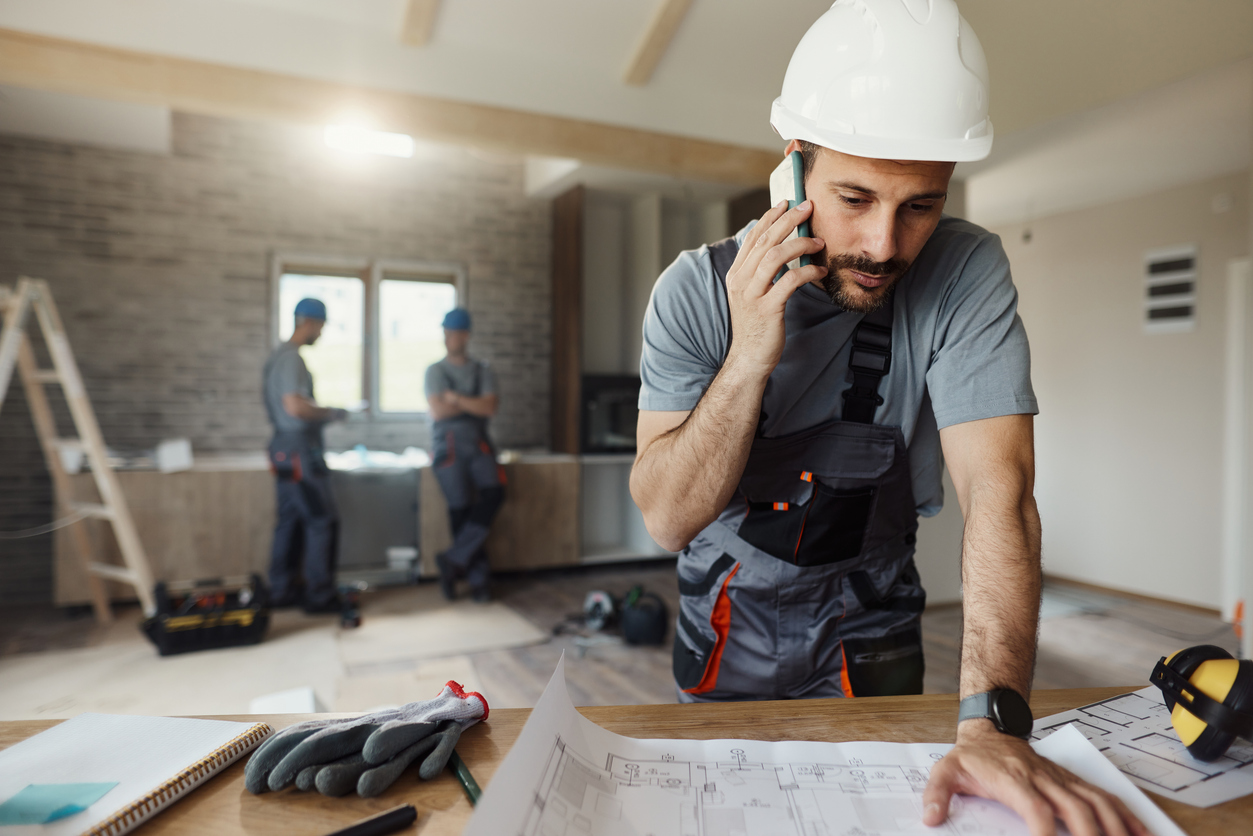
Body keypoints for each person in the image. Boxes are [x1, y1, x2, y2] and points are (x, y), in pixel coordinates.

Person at [629, 2, 1146, 834]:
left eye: (919, 205)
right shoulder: (692, 292)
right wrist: (751, 351)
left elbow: (999, 493)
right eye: (854, 196)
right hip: (727, 626)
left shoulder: (962, 271)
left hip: (869, 626)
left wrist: (993, 726)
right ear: (792, 169)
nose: (883, 245)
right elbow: (666, 515)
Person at [262, 297, 348, 613]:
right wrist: (333, 412)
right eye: (321, 327)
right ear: (308, 323)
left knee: (290, 519)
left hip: (283, 450)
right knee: (321, 519)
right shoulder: (291, 360)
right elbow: (295, 406)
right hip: (298, 452)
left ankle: (282, 590)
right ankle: (320, 596)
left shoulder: (277, 357)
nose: (321, 334)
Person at [425, 307, 504, 603]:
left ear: (466, 335)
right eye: (446, 332)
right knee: (461, 510)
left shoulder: (482, 370)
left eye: (455, 332)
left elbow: (489, 408)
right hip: (448, 447)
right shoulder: (435, 371)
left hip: (479, 444)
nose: (450, 337)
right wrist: (473, 403)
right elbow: (438, 411)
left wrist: (456, 398)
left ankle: (453, 559)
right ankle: (478, 579)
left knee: (495, 493)